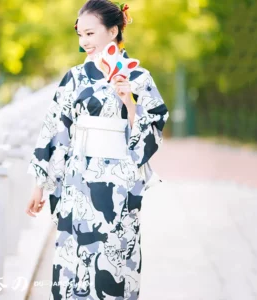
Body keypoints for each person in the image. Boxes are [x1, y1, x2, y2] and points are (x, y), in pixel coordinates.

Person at [26, 0, 169, 299]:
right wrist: (40, 183)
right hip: (77, 183)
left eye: (90, 34)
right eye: (80, 35)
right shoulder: (75, 78)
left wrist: (129, 101)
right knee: (74, 257)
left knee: (114, 259)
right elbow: (55, 129)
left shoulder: (138, 77)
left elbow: (154, 125)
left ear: (113, 30)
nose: (83, 42)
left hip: (117, 184)